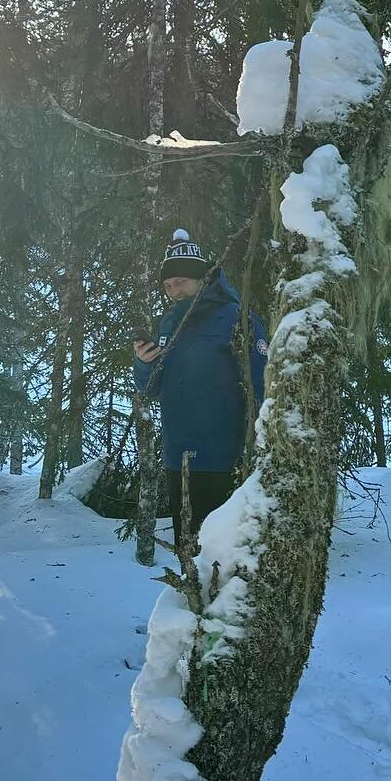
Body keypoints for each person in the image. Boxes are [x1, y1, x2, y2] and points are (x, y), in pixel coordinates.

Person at [132, 228, 267, 550]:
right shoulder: (169, 323)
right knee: (188, 553)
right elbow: (150, 389)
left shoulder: (236, 316)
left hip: (223, 457)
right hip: (177, 456)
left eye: (181, 282)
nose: (173, 291)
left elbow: (262, 380)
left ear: (201, 279)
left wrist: (260, 445)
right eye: (167, 285)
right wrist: (144, 363)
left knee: (223, 555)